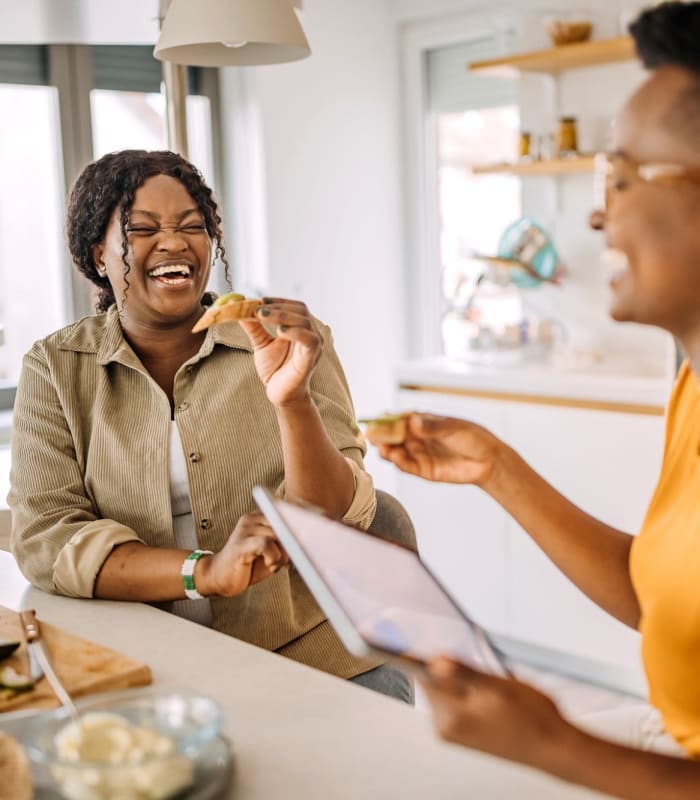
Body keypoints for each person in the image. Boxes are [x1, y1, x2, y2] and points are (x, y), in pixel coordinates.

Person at [375, 2, 700, 793]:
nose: (599, 210)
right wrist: (497, 467)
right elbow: (667, 601)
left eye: (621, 176)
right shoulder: (691, 380)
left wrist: (557, 747)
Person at [8, 149, 411, 703]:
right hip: (142, 657)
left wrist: (292, 402)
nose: (174, 242)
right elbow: (47, 538)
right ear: (99, 254)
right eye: (142, 228)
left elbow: (338, 517)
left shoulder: (290, 340)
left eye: (192, 226)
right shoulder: (55, 366)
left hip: (308, 652)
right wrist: (206, 571)